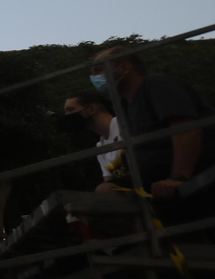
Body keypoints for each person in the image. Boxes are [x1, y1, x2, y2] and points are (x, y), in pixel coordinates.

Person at [90, 49, 214, 207]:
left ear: (125, 68)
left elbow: (186, 128)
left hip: (199, 177)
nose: (94, 76)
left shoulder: (156, 84)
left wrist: (179, 177)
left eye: (99, 69)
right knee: (104, 191)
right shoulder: (124, 105)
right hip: (156, 183)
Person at [61, 89, 123, 185]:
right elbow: (109, 184)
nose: (67, 116)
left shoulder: (123, 125)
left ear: (92, 109)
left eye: (71, 110)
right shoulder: (101, 147)